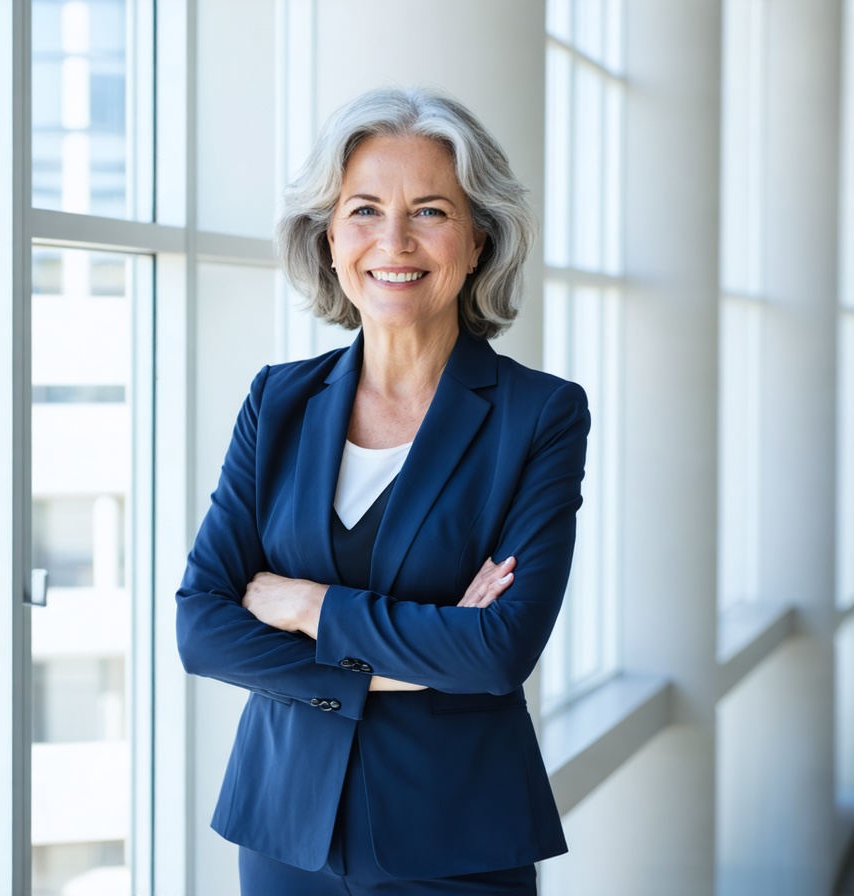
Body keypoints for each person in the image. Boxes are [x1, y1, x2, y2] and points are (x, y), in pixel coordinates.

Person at [176, 86, 589, 895]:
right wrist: (421, 655)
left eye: (430, 211)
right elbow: (203, 629)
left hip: (455, 844)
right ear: (329, 237)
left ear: (478, 239)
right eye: (364, 210)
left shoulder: (539, 414)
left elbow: (498, 651)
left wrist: (306, 606)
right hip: (283, 834)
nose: (393, 241)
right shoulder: (277, 400)